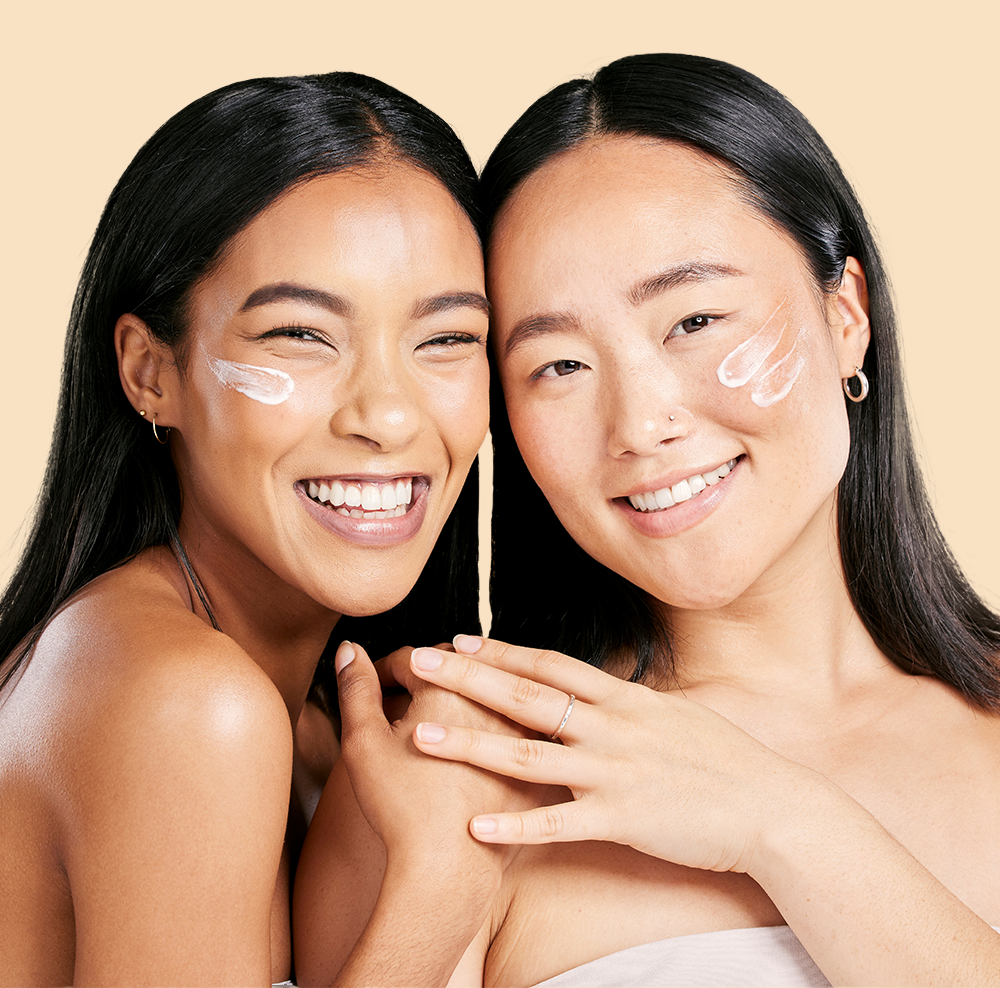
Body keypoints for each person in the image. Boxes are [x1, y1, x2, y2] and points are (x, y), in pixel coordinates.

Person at [298, 55, 1000, 986]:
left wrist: (784, 824)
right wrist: (432, 890)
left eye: (695, 321)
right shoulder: (454, 773)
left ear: (847, 316)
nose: (640, 425)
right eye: (558, 366)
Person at [0, 70, 505, 986]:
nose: (388, 418)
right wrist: (436, 899)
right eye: (301, 337)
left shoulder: (319, 727)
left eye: (445, 340)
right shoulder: (188, 706)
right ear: (151, 373)